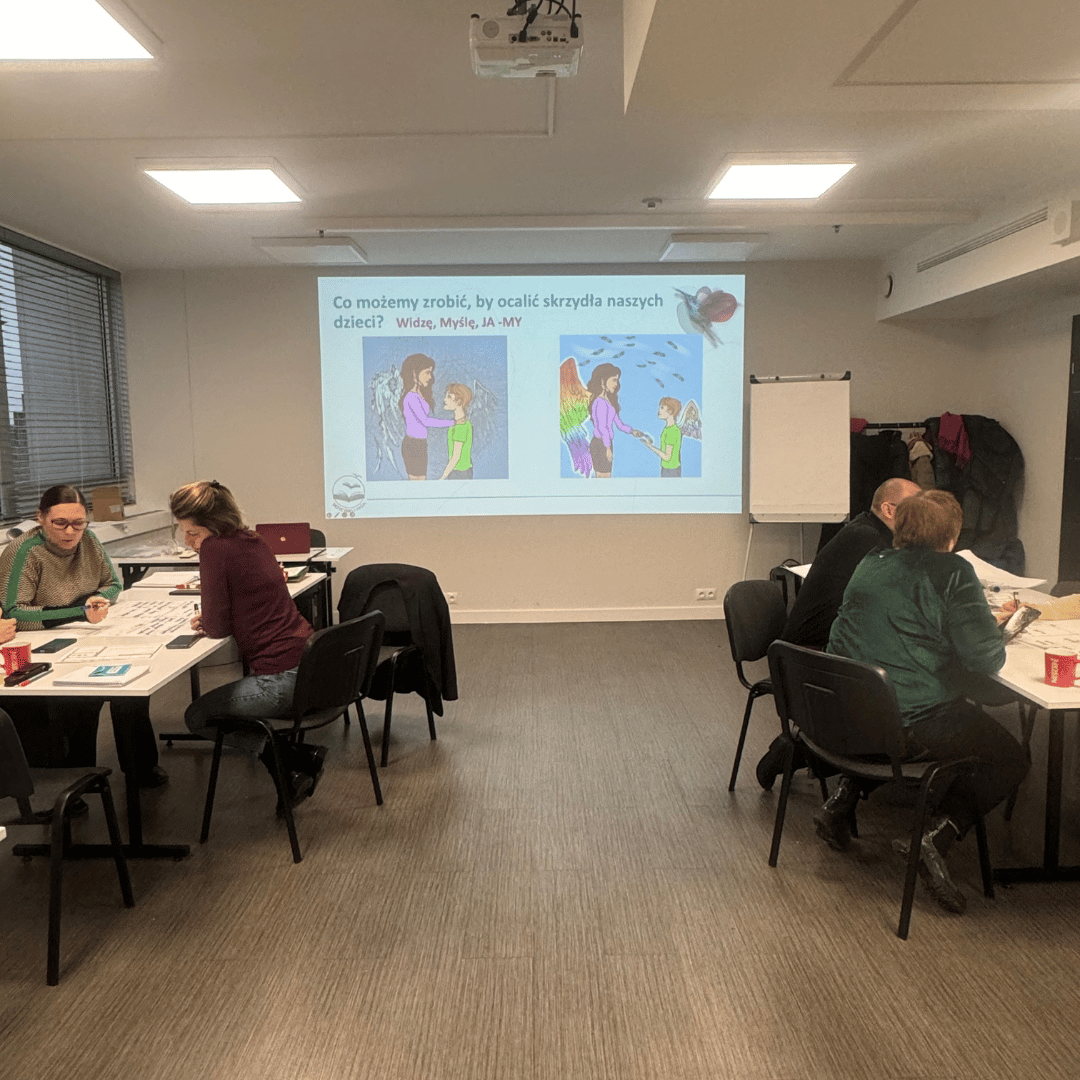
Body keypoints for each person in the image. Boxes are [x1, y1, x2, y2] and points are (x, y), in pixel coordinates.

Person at [822, 489, 1028, 913]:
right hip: (907, 722)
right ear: (951, 537)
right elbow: (985, 658)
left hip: (845, 715)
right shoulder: (952, 572)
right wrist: (992, 629)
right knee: (1009, 758)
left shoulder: (872, 561)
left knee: (898, 704)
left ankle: (842, 800)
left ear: (899, 527)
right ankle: (937, 837)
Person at [755, 477, 921, 788]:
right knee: (908, 683)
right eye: (916, 509)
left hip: (804, 652)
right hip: (811, 660)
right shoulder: (872, 544)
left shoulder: (863, 529)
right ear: (889, 509)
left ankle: (819, 759)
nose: (922, 518)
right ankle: (809, 754)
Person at [0, 484, 166, 791]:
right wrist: (79, 612)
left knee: (133, 689)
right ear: (40, 518)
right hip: (43, 639)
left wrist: (97, 599)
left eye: (78, 523)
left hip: (88, 630)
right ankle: (77, 781)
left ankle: (141, 768)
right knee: (77, 700)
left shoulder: (89, 539)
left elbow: (112, 584)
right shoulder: (24, 551)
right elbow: (15, 613)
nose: (70, 532)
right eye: (59, 523)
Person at [170, 480, 324, 811]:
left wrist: (210, 618)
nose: (188, 542)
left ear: (213, 526)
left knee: (197, 716)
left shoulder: (214, 548)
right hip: (312, 667)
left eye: (193, 533)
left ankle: (293, 758)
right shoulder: (253, 539)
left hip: (282, 679)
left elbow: (217, 628)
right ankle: (294, 764)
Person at [399, 353, 453, 480]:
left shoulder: (420, 394)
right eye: (427, 372)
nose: (430, 377)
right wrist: (452, 423)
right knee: (417, 483)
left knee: (421, 481)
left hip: (421, 444)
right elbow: (425, 421)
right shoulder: (411, 397)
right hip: (412, 445)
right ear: (414, 373)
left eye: (431, 373)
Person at [586, 363, 642, 478]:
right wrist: (607, 448)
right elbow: (602, 428)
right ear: (603, 381)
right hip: (601, 444)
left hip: (606, 443)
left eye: (617, 380)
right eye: (614, 380)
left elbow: (619, 424)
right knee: (604, 478)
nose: (616, 384)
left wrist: (632, 431)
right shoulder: (599, 402)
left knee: (605, 478)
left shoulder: (609, 402)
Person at [440, 383, 474, 480]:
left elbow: (456, 457)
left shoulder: (460, 427)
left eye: (449, 397)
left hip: (459, 473)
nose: (445, 399)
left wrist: (442, 478)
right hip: (461, 471)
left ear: (459, 401)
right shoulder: (461, 423)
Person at [645, 396, 683, 477]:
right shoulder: (668, 429)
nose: (659, 410)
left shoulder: (672, 431)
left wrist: (650, 446)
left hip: (671, 471)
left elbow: (667, 457)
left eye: (662, 408)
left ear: (670, 411)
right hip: (668, 469)